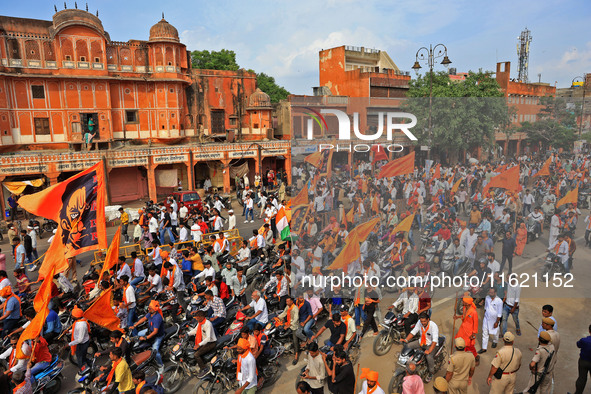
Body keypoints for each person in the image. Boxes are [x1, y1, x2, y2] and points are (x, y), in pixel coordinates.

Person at [402, 312, 439, 382]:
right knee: (408, 346)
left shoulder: (433, 326)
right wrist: (406, 339)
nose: (423, 323)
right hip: (421, 342)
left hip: (431, 345)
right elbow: (414, 331)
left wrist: (429, 351)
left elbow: (434, 341)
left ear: (428, 319)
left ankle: (431, 372)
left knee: (428, 357)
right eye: (421, 321)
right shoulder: (419, 322)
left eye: (424, 321)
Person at [129, 300, 165, 371]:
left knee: (155, 351)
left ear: (154, 309)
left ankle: (161, 366)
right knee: (139, 333)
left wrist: (146, 337)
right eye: (148, 308)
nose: (148, 309)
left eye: (150, 308)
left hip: (158, 335)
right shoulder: (150, 313)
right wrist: (135, 325)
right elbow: (144, 318)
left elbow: (155, 332)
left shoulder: (157, 317)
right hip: (150, 331)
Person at [186, 310, 217, 377]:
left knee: (196, 354)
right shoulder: (200, 323)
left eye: (197, 318)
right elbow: (195, 330)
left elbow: (208, 338)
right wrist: (187, 334)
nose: (196, 319)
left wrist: (199, 345)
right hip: (204, 342)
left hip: (210, 343)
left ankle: (204, 369)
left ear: (202, 317)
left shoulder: (208, 324)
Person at [479, 287, 503, 354]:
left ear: (495, 293)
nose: (490, 294)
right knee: (484, 332)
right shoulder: (487, 298)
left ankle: (495, 341)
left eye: (492, 293)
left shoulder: (499, 301)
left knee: (495, 332)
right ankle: (484, 348)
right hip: (486, 319)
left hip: (494, 320)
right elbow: (485, 308)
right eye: (489, 292)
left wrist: (497, 322)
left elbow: (499, 313)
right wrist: (485, 315)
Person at [575, 324, 591, 394]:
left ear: (589, 331)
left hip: (583, 361)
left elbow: (578, 344)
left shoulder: (584, 340)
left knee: (582, 378)